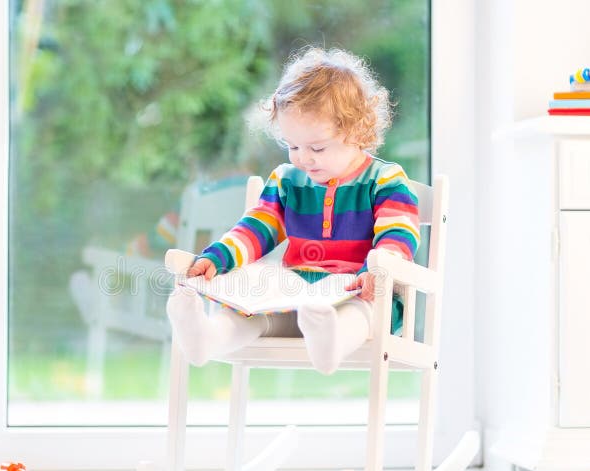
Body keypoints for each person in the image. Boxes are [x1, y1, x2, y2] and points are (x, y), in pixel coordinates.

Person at [166, 47, 420, 375]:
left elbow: (398, 234)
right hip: (294, 295)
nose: (303, 158)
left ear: (357, 132)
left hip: (358, 288)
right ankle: (207, 338)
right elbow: (256, 228)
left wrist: (381, 270)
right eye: (293, 146)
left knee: (366, 309)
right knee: (250, 310)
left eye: (316, 147)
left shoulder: (384, 179)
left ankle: (333, 340)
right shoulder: (288, 181)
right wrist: (218, 257)